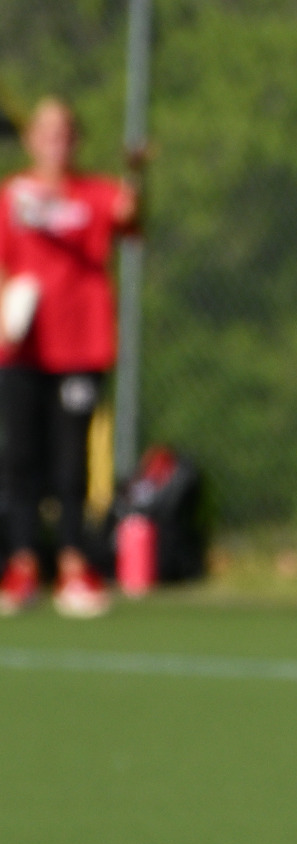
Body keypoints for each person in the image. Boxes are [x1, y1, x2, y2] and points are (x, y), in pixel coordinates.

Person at [0, 97, 142, 617]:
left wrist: (137, 177)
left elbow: (129, 218)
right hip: (23, 346)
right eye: (45, 132)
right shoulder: (11, 195)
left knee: (71, 461)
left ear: (75, 140)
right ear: (31, 140)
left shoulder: (96, 194)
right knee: (20, 457)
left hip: (80, 344)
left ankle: (73, 565)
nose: (55, 142)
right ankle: (21, 567)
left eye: (63, 132)